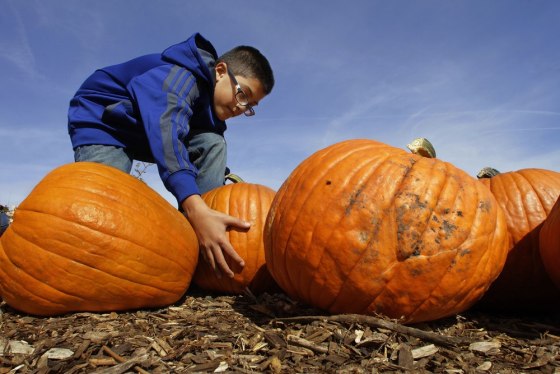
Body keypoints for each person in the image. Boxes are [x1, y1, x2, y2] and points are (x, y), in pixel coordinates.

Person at [67, 33, 274, 279]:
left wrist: (222, 183)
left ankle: (200, 246)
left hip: (146, 131)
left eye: (250, 106)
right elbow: (168, 133)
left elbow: (202, 152)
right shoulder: (181, 76)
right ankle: (197, 215)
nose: (241, 108)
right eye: (243, 94)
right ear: (220, 71)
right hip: (106, 122)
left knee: (213, 142)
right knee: (105, 205)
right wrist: (192, 203)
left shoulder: (212, 116)